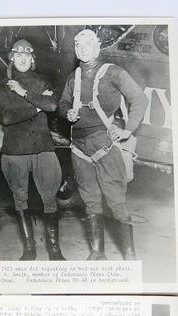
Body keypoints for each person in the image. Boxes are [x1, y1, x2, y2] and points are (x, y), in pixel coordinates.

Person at [58, 29, 148, 260]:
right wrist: (66, 112)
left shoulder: (113, 73)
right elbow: (62, 104)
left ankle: (129, 257)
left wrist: (127, 130)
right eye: (78, 45)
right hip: (78, 149)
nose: (82, 49)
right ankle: (97, 253)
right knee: (90, 201)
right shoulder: (74, 77)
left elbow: (139, 99)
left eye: (87, 44)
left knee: (116, 201)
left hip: (104, 145)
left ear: (97, 47)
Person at [0, 39, 65, 261]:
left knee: (50, 199)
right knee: (20, 200)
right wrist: (37, 105)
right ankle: (29, 249)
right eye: (18, 55)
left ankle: (54, 250)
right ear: (12, 58)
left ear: (32, 58)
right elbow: (7, 117)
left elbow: (53, 106)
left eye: (27, 55)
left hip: (43, 148)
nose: (23, 58)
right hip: (14, 151)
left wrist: (25, 95)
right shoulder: (4, 85)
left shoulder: (42, 80)